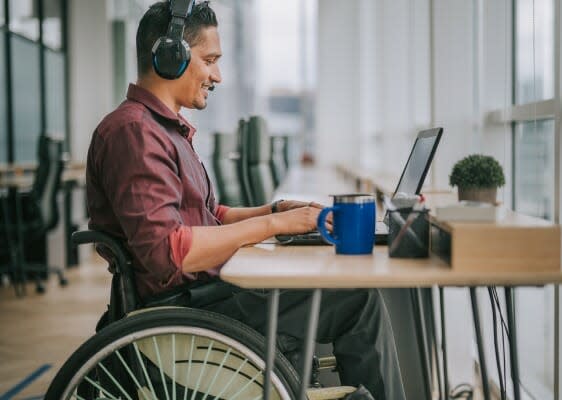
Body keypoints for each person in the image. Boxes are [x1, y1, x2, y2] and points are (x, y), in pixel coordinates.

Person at [85, 2, 405, 399]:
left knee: (348, 295)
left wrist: (275, 211)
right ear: (170, 56)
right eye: (210, 60)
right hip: (189, 307)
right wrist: (272, 227)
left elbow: (207, 215)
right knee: (358, 300)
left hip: (207, 292)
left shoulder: (162, 130)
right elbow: (169, 252)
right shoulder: (134, 133)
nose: (217, 75)